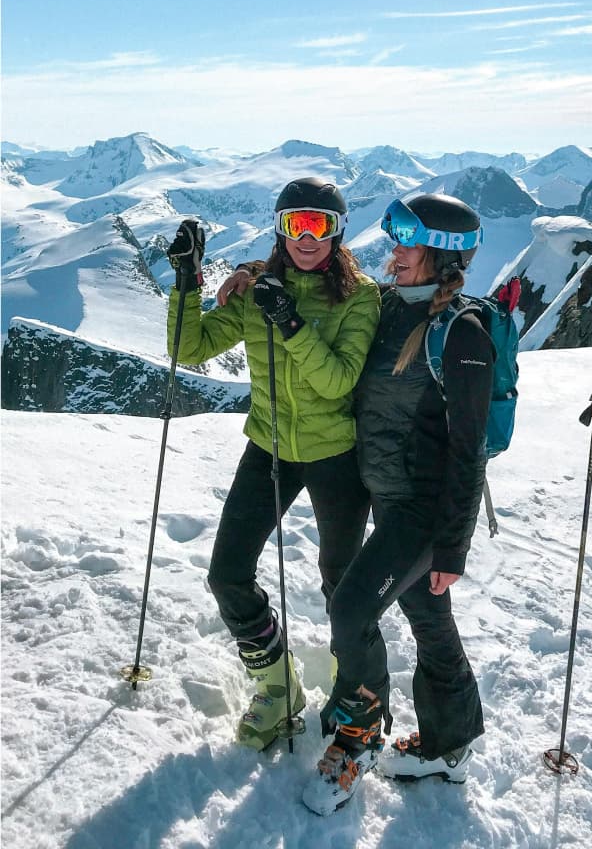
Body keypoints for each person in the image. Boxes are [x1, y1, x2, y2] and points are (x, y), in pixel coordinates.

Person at [165, 177, 380, 751]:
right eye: (295, 224)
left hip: (336, 454)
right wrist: (187, 283)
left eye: (319, 225)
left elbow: (337, 381)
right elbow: (189, 348)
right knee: (227, 573)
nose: (306, 238)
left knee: (343, 585)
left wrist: (290, 323)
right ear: (280, 229)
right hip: (269, 445)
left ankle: (356, 692)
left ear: (338, 232)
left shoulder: (360, 297)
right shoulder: (257, 289)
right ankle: (277, 685)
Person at [301, 192, 494, 816]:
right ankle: (449, 745)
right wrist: (250, 275)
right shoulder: (386, 306)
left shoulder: (461, 334)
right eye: (397, 236)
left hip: (421, 511)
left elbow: (469, 450)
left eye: (410, 240)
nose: (396, 249)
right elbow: (320, 283)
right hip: (383, 492)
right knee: (427, 617)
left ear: (443, 254)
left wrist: (452, 548)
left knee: (351, 607)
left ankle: (358, 738)